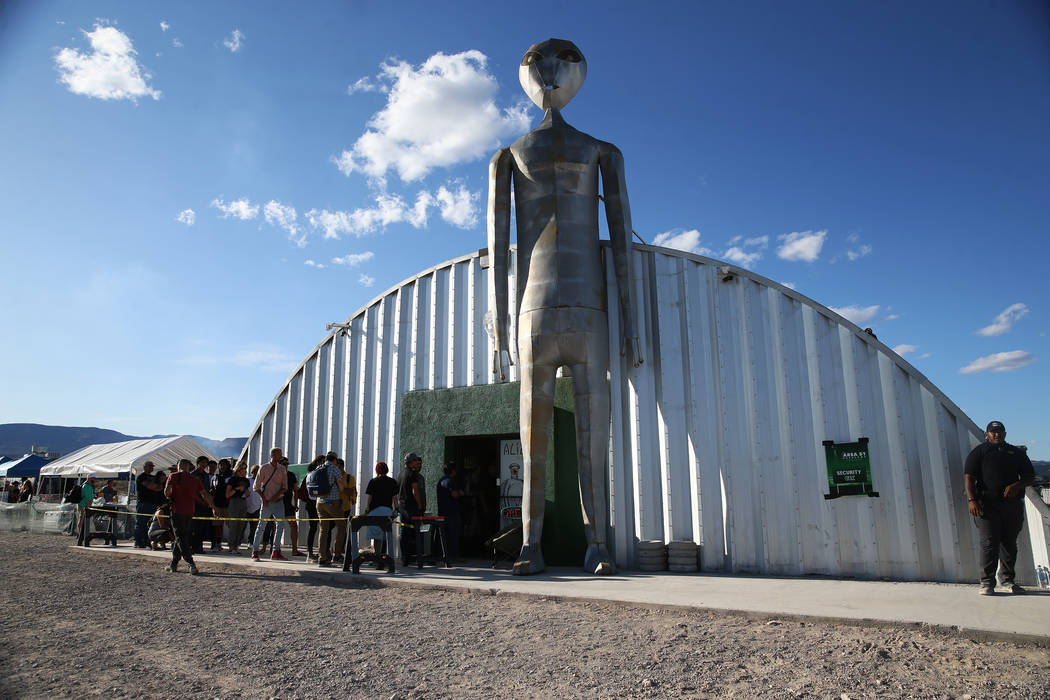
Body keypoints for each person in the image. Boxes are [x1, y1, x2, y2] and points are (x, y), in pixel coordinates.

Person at [964, 420, 1035, 595]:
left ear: (1005, 433)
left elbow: (1029, 476)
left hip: (1011, 505)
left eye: (1000, 431)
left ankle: (1008, 580)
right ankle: (987, 582)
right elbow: (968, 479)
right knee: (989, 543)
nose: (997, 434)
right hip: (986, 506)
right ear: (987, 434)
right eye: (993, 432)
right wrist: (972, 500)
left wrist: (1016, 486)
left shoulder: (1015, 452)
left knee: (1009, 543)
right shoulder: (979, 452)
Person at [165, 458, 219, 575]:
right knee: (183, 536)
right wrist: (214, 508)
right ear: (189, 467)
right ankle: (173, 564)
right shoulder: (195, 479)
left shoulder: (173, 476)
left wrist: (171, 491)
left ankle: (191, 563)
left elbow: (167, 492)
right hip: (190, 512)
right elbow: (205, 494)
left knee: (180, 537)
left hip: (177, 510)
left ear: (179, 466)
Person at [251, 447, 289, 561]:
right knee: (261, 527)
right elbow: (256, 487)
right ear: (272, 455)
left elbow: (284, 487)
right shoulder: (264, 468)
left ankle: (276, 551)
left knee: (281, 525)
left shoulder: (282, 469)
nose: (281, 456)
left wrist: (276, 496)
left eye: (281, 454)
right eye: (279, 454)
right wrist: (264, 499)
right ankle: (255, 551)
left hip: (278, 502)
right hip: (266, 501)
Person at [313, 451, 346, 567]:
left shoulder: (319, 467)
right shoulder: (334, 468)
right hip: (332, 502)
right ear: (335, 460)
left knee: (323, 530)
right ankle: (337, 555)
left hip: (319, 503)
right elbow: (341, 486)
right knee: (342, 526)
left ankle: (322, 557)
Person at [397, 452, 426, 564]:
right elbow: (415, 491)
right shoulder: (412, 473)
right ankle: (419, 556)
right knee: (418, 531)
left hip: (402, 506)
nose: (416, 463)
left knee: (404, 531)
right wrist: (419, 504)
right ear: (411, 462)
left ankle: (405, 557)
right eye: (415, 461)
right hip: (412, 507)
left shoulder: (400, 473)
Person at [365, 462, 398, 556]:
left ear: (377, 470)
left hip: (375, 511)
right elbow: (395, 498)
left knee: (376, 535)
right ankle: (384, 556)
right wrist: (396, 509)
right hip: (387, 511)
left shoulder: (373, 481)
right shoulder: (392, 482)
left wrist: (367, 510)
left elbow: (370, 498)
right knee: (386, 533)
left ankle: (377, 555)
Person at [299, 456, 324, 561]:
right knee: (316, 528)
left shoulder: (309, 475)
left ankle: (316, 551)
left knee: (318, 528)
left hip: (312, 503)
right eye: (323, 462)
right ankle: (312, 552)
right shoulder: (314, 475)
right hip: (315, 503)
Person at [135, 461, 164, 548]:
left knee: (150, 524)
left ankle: (148, 541)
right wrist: (157, 486)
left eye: (152, 466)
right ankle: (139, 542)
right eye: (150, 466)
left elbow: (159, 487)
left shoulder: (153, 477)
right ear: (144, 467)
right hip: (144, 503)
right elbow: (152, 487)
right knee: (141, 523)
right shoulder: (141, 477)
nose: (152, 467)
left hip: (153, 503)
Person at [437, 463, 464, 558]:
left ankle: (445, 555)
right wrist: (461, 493)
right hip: (452, 512)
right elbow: (454, 494)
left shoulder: (441, 480)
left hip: (442, 512)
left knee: (445, 535)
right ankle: (454, 556)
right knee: (454, 534)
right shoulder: (451, 481)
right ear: (453, 471)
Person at [334, 457, 357, 562]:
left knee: (342, 530)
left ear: (342, 467)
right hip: (332, 507)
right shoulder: (332, 477)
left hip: (345, 507)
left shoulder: (349, 478)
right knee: (328, 529)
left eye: (337, 467)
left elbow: (351, 492)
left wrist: (341, 488)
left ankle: (340, 551)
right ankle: (332, 551)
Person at [225, 463, 252, 554]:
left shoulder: (246, 481)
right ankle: (231, 546)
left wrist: (247, 492)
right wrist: (237, 489)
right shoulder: (232, 480)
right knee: (233, 524)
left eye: (246, 468)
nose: (245, 470)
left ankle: (236, 546)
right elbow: (227, 494)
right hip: (234, 501)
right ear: (238, 469)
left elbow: (247, 493)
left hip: (243, 501)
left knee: (241, 525)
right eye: (243, 468)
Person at [279, 456, 303, 556]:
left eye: (287, 464)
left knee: (293, 526)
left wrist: (296, 503)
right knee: (276, 526)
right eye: (284, 464)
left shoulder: (291, 475)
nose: (286, 465)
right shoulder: (276, 474)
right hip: (277, 503)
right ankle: (274, 548)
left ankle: (294, 549)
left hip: (288, 504)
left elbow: (295, 490)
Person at [190, 456, 212, 553]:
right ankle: (192, 547)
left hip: (204, 504)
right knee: (193, 527)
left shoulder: (206, 476)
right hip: (195, 503)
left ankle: (199, 547)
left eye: (206, 463)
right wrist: (201, 501)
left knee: (201, 527)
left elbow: (206, 490)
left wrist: (208, 502)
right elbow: (192, 492)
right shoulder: (193, 475)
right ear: (198, 463)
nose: (204, 465)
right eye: (202, 462)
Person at [211, 459, 233, 553]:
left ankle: (232, 545)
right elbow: (212, 489)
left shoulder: (232, 476)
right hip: (217, 504)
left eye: (224, 465)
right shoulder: (215, 477)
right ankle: (218, 543)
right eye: (220, 465)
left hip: (229, 505)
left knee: (231, 525)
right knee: (217, 525)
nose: (222, 467)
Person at [76, 475, 97, 547]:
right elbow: (88, 498)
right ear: (90, 478)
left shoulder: (85, 485)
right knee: (82, 521)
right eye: (94, 478)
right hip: (84, 506)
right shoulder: (87, 486)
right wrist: (89, 506)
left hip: (82, 505)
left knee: (81, 520)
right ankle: (80, 536)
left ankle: (80, 536)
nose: (95, 480)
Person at [246, 464, 262, 544]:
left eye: (258, 472)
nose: (256, 473)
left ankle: (251, 542)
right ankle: (237, 542)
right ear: (252, 472)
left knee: (254, 527)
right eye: (255, 472)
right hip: (246, 507)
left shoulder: (261, 482)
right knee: (242, 526)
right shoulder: (247, 481)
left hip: (257, 507)